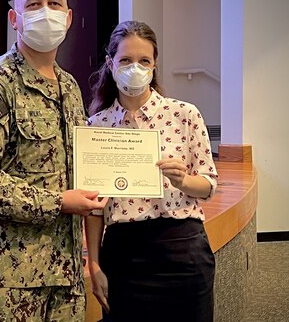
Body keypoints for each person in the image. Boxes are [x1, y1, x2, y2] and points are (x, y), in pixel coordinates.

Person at [0, 0, 106, 322]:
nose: (45, 12)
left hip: (65, 274)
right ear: (14, 18)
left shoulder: (70, 87)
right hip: (8, 277)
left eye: (54, 4)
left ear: (68, 18)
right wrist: (58, 202)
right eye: (33, 5)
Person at [85, 20, 218, 322]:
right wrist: (94, 264)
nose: (136, 68)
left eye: (144, 60)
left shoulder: (184, 114)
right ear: (110, 63)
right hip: (123, 254)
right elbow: (94, 209)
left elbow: (209, 186)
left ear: (155, 64)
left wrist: (184, 180)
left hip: (183, 250)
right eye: (126, 60)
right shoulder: (97, 127)